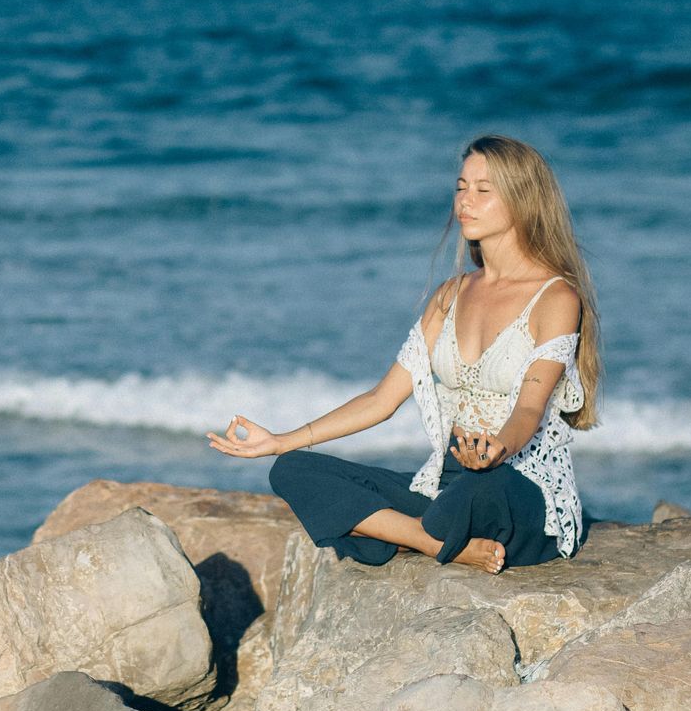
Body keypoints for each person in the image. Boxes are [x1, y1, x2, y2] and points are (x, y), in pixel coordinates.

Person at [206, 134, 603, 574]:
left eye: (482, 190)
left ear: (523, 201)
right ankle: (437, 542)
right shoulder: (449, 296)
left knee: (474, 494)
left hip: (517, 484)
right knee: (292, 470)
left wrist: (496, 449)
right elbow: (382, 400)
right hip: (446, 482)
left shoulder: (555, 298)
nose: (465, 201)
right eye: (460, 187)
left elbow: (530, 407)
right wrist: (281, 440)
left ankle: (403, 532)